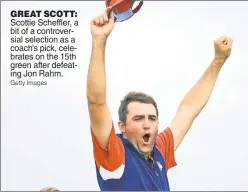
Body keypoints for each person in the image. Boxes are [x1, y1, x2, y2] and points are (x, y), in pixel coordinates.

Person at [87, 9, 233, 191]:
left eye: (152, 118)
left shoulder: (159, 151)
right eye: (138, 118)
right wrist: (99, 40)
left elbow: (189, 109)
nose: (147, 124)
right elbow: (96, 102)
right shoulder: (115, 153)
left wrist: (218, 60)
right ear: (122, 127)